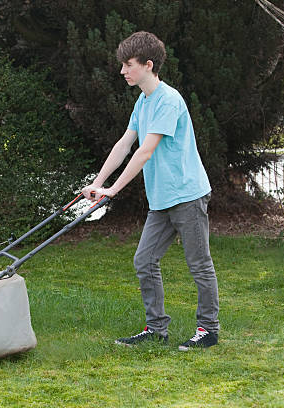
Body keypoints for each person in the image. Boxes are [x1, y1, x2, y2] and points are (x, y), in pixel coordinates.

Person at [82, 31, 219, 351]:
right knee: (144, 260)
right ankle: (157, 329)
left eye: (128, 65)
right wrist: (98, 183)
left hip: (187, 195)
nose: (122, 71)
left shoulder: (168, 100)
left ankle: (208, 330)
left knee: (199, 264)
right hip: (162, 199)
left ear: (148, 64)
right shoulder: (143, 101)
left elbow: (145, 151)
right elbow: (125, 144)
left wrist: (114, 189)